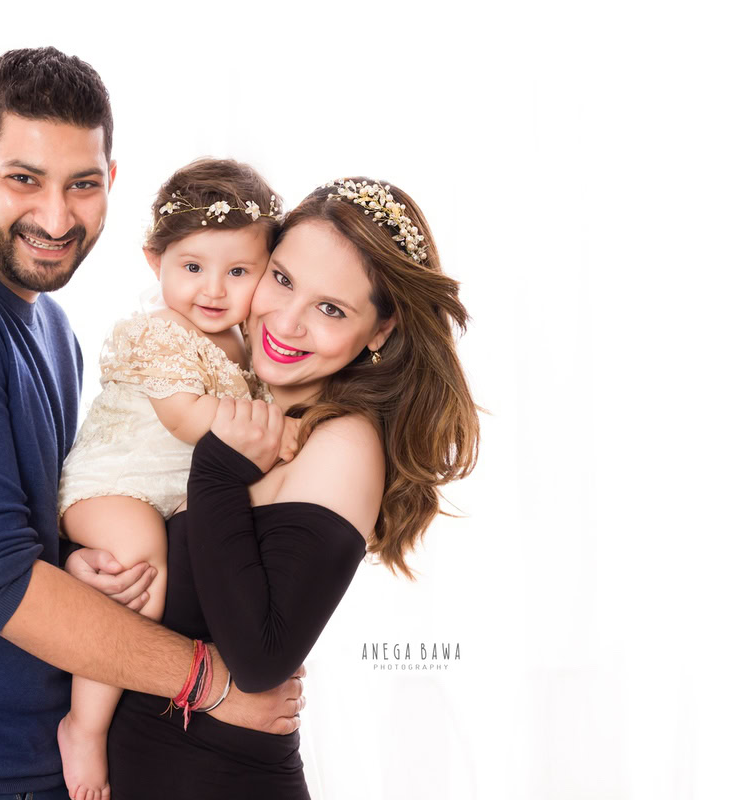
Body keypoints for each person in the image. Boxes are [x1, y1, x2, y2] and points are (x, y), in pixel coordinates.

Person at [0, 47, 304, 800]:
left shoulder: (49, 328)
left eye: (81, 185)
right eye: (22, 179)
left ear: (111, 183)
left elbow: (19, 533)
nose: (54, 216)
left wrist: (73, 560)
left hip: (32, 768)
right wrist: (210, 684)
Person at [102, 177, 481, 798]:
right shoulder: (227, 403)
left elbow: (260, 660)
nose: (287, 320)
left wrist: (219, 469)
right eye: (281, 279)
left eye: (331, 309)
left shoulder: (341, 445)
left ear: (380, 331)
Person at [55, 158, 286, 800]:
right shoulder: (160, 332)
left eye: (238, 271)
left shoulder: (243, 340)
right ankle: (85, 726)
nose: (213, 289)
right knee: (142, 577)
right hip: (112, 484)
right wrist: (275, 432)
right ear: (155, 261)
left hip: (167, 492)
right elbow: (187, 419)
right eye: (192, 268)